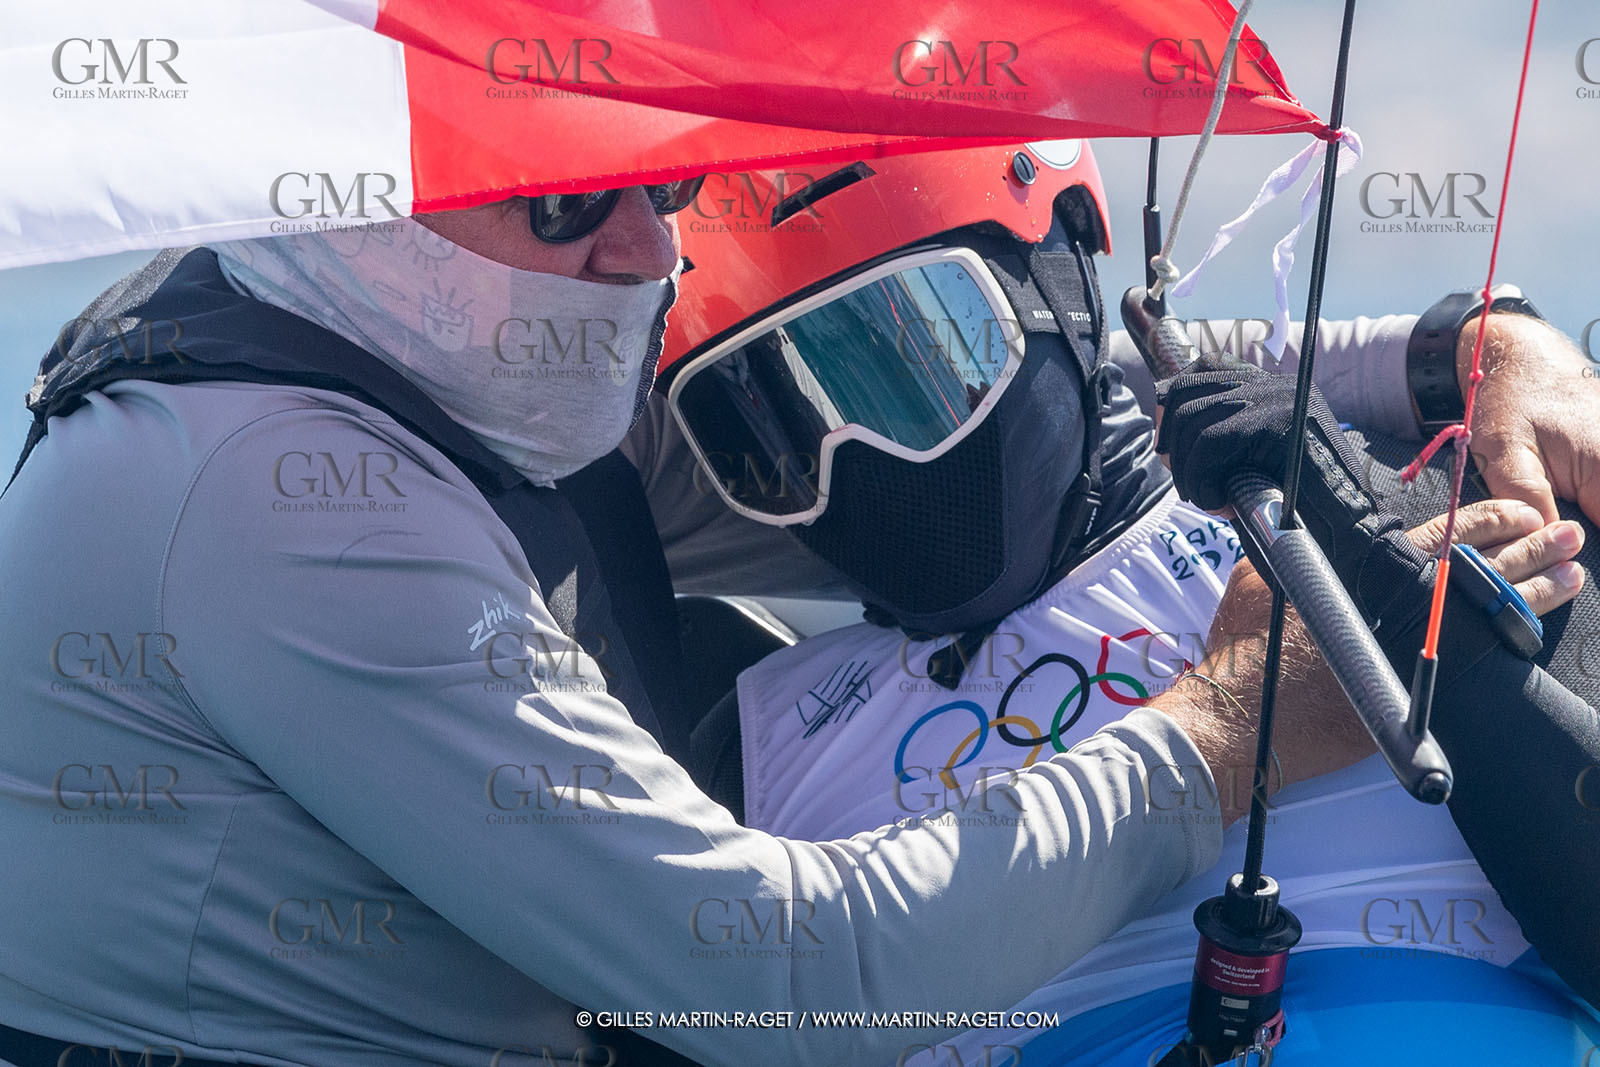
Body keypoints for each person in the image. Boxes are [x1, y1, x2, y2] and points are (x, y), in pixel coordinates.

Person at [0, 173, 1392, 1066]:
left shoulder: (427, 358)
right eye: (564, 203)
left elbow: (1052, 406)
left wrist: (1467, 345)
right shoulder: (291, 498)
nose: (649, 244)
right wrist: (1221, 729)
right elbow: (786, 980)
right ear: (362, 206)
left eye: (662, 176)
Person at [653, 143, 1600, 1064]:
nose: (852, 458)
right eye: (761, 426)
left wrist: (1406, 592)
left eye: (910, 371)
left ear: (1060, 283)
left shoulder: (1410, 514)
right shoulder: (747, 748)